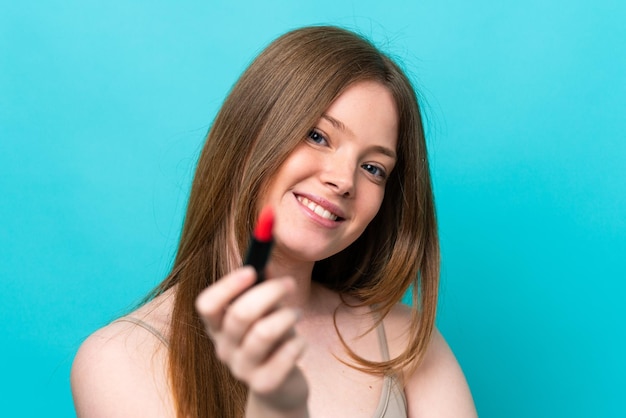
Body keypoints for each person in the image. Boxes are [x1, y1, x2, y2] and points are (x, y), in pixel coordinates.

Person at [70, 25, 477, 418]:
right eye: (318, 137)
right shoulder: (120, 359)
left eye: (373, 167)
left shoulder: (407, 340)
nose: (343, 180)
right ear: (248, 133)